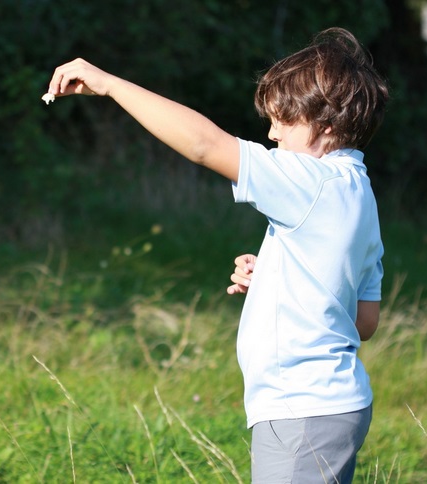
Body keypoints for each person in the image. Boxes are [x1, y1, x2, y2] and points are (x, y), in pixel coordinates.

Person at [46, 27, 388, 483]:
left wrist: (108, 84)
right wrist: (277, 279)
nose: (271, 133)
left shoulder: (313, 182)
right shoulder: (357, 193)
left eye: (284, 119)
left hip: (301, 411)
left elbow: (205, 145)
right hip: (333, 406)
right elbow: (364, 320)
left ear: (326, 125)